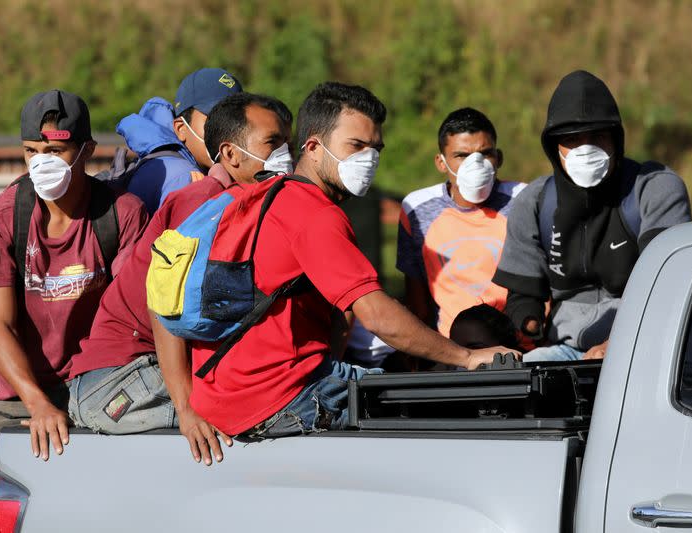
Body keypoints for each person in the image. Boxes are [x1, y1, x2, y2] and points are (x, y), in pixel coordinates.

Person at [181, 82, 518, 444]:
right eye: (356, 146)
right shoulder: (314, 214)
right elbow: (375, 314)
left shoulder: (266, 196)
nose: (368, 159)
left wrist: (188, 404)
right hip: (281, 399)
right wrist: (466, 357)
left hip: (229, 395)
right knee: (444, 414)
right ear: (312, 147)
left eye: (376, 148)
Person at [0, 90, 148, 532]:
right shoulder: (1, 218)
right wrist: (37, 403)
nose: (41, 162)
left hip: (101, 386)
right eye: (31, 151)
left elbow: (133, 318)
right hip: (22, 393)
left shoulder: (122, 214)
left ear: (85, 150)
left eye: (55, 151)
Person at [67, 92, 294, 466]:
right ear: (231, 153)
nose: (284, 154)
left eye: (288, 142)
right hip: (119, 377)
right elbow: (163, 303)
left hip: (145, 372)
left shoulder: (247, 206)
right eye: (272, 143)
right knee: (254, 410)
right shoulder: (202, 202)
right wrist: (188, 408)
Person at [492, 70, 692, 362]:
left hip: (647, 345)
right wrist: (525, 324)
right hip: (565, 349)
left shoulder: (655, 187)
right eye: (572, 139)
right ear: (554, 147)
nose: (585, 150)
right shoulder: (533, 202)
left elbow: (669, 283)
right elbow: (524, 297)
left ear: (616, 140)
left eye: (597, 136)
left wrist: (617, 345)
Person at [397, 107, 525, 342]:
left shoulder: (524, 201)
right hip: (451, 349)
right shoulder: (417, 209)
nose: (475, 165)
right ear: (441, 162)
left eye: (485, 153)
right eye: (462, 156)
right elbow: (417, 302)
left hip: (518, 345)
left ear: (499, 159)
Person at [118, 68, 243, 214]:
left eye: (236, 121)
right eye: (214, 120)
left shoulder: (168, 164)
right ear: (181, 128)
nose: (228, 130)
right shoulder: (184, 178)